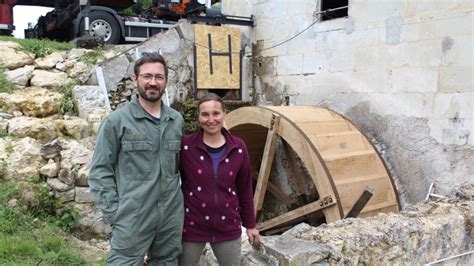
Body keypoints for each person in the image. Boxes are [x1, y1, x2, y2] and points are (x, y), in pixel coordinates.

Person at [89, 52, 184, 265]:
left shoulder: (175, 120)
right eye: (147, 76)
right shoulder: (116, 122)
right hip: (132, 216)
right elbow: (100, 171)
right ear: (135, 80)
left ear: (166, 81)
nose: (153, 82)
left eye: (159, 77)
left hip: (170, 216)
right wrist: (115, 214)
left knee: (167, 261)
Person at [178, 93, 263, 265]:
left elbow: (244, 189)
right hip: (192, 225)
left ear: (224, 113)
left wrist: (251, 225)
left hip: (228, 225)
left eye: (216, 113)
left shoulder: (238, 148)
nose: (211, 119)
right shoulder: (185, 147)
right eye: (205, 114)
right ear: (198, 117)